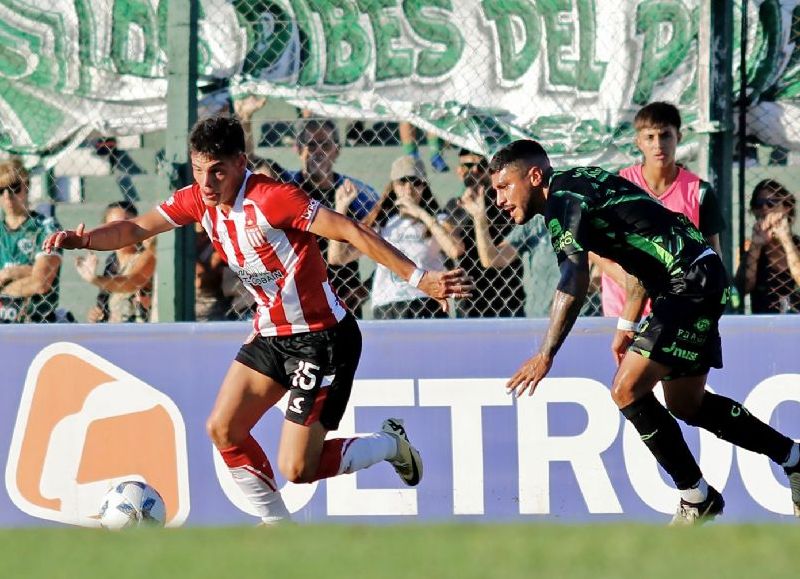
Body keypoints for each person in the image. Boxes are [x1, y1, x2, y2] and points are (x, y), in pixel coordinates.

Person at [44, 115, 471, 525]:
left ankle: (389, 444)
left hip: (321, 339)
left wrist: (420, 278)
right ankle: (278, 526)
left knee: (298, 468)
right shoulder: (198, 199)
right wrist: (85, 239)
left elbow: (350, 231)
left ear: (240, 164)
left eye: (217, 172)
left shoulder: (273, 198)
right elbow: (135, 230)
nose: (207, 183)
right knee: (223, 428)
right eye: (198, 171)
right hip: (270, 333)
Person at [488, 139, 800, 525]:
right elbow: (638, 250)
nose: (498, 199)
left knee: (625, 389)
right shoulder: (581, 185)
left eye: (503, 187)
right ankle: (794, 458)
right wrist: (627, 323)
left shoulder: (562, 201)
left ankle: (695, 496)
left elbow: (574, 276)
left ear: (534, 176)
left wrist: (546, 352)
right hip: (694, 277)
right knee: (688, 405)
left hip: (687, 281)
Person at [594, 102, 725, 318]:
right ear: (638, 142)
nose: (658, 144)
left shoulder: (699, 192)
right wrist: (627, 281)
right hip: (622, 311)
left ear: (679, 137)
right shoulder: (617, 186)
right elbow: (592, 246)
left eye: (665, 135)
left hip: (678, 312)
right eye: (650, 137)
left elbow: (713, 255)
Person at [331, 156, 463, 319]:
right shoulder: (381, 223)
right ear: (393, 186)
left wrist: (422, 214)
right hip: (388, 301)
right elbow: (337, 257)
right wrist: (340, 209)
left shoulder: (438, 219)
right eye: (403, 182)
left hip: (425, 299)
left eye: (416, 183)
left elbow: (455, 250)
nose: (409, 189)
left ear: (424, 186)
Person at [284, 119, 379, 317]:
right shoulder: (287, 189)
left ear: (337, 151)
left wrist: (367, 287)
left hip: (344, 298)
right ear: (299, 149)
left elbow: (387, 236)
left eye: (325, 145)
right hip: (297, 297)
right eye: (311, 144)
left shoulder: (356, 193)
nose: (318, 151)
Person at [444, 148, 526, 318]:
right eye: (468, 165)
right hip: (469, 299)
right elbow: (452, 247)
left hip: (507, 293)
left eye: (481, 166)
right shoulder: (453, 207)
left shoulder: (505, 203)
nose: (474, 171)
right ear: (459, 171)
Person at [0, 158, 62, 323]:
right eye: (1, 190)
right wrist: (29, 270)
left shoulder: (46, 228)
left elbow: (40, 282)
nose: (7, 196)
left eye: (14, 188)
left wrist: (8, 274)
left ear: (26, 187)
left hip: (36, 321)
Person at [76, 201, 155, 323]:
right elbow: (105, 308)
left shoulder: (145, 256)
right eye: (113, 225)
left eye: (126, 223)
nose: (120, 230)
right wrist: (98, 314)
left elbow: (132, 282)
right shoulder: (112, 263)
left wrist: (95, 279)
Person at [735, 179, 800, 313]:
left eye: (772, 202)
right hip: (763, 324)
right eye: (759, 204)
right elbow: (742, 289)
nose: (765, 208)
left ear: (786, 208)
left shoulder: (797, 244)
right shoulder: (748, 246)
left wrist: (786, 240)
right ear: (754, 211)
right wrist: (756, 246)